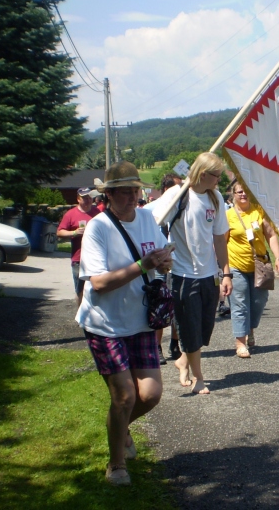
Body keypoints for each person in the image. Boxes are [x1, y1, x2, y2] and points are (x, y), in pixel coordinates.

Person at [76, 161, 173, 486]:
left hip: (140, 320)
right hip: (105, 324)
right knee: (124, 397)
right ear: (110, 195)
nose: (133, 197)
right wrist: (143, 265)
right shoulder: (98, 227)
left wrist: (164, 262)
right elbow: (99, 283)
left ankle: (120, 428)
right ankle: (116, 465)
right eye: (126, 192)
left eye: (136, 191)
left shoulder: (147, 218)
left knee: (151, 394)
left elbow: (159, 256)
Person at [168, 152, 232, 394]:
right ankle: (199, 378)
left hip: (209, 275)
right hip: (183, 274)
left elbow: (219, 238)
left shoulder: (215, 198)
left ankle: (183, 360)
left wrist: (226, 273)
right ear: (203, 174)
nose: (219, 181)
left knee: (205, 328)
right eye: (217, 176)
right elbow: (150, 220)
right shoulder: (178, 195)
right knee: (191, 327)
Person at [225, 182, 279, 358]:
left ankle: (249, 328)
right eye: (239, 192)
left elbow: (271, 235)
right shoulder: (228, 216)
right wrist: (223, 270)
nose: (243, 194)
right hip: (236, 266)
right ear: (233, 194)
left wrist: (278, 257)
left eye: (246, 191)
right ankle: (240, 343)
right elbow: (222, 242)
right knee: (239, 305)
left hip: (260, 267)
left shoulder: (259, 211)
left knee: (258, 303)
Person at [144, 172, 184, 362]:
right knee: (158, 303)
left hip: (175, 261)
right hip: (156, 263)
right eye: (177, 188)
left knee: (176, 302)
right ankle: (156, 346)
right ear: (167, 190)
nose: (181, 192)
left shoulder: (183, 207)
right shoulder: (150, 210)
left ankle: (175, 342)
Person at [56, 187, 100, 303]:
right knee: (80, 290)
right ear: (78, 199)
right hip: (79, 259)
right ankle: (81, 317)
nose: (88, 200)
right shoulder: (71, 214)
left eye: (89, 197)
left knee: (97, 288)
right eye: (84, 198)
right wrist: (74, 232)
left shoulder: (97, 213)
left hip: (96, 257)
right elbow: (60, 232)